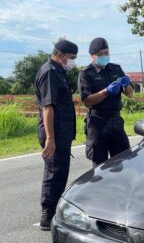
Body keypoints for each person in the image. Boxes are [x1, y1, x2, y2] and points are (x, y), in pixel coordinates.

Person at [34, 39, 78, 231]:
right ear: (59, 55)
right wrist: (50, 138)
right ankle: (47, 215)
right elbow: (48, 106)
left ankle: (54, 212)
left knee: (60, 173)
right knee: (54, 173)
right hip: (54, 133)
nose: (73, 62)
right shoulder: (50, 72)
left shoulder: (59, 71)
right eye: (71, 58)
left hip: (62, 132)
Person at [78, 37, 134, 168]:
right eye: (100, 54)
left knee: (124, 162)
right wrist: (106, 91)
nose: (104, 56)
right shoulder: (86, 73)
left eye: (106, 53)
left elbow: (130, 94)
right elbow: (87, 101)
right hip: (98, 123)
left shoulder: (116, 69)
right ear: (92, 55)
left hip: (116, 121)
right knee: (100, 168)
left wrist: (127, 85)